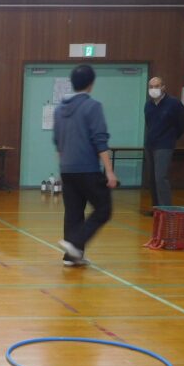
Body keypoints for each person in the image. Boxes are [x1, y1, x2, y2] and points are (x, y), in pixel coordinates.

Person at [53, 65, 119, 267]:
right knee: (103, 209)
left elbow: (58, 142)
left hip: (67, 169)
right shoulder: (93, 106)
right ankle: (75, 243)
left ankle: (72, 256)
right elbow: (100, 141)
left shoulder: (59, 110)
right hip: (88, 169)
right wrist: (109, 171)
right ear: (91, 84)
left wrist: (63, 167)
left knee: (73, 212)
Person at [144, 76, 184, 211]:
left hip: (165, 145)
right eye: (151, 86)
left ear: (163, 87)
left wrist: (170, 138)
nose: (153, 89)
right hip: (150, 144)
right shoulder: (148, 104)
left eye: (156, 86)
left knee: (161, 177)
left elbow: (181, 126)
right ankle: (157, 208)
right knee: (152, 179)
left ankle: (166, 210)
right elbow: (149, 124)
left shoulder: (174, 103)